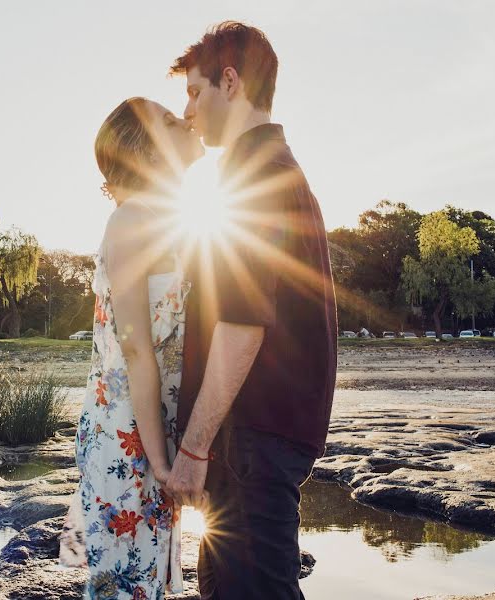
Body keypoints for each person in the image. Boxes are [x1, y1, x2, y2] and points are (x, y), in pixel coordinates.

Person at [165, 22, 338, 600]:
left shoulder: (255, 176)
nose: (187, 109)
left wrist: (192, 449)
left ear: (230, 82)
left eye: (194, 91)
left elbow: (242, 324)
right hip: (253, 442)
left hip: (253, 439)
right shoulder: (270, 168)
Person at [60, 97, 204, 599]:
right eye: (169, 122)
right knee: (125, 587)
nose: (185, 120)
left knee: (147, 580)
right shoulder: (132, 221)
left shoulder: (166, 219)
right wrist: (163, 461)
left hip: (149, 427)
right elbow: (136, 351)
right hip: (127, 432)